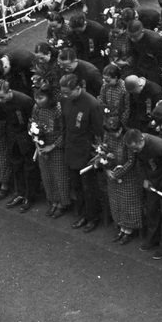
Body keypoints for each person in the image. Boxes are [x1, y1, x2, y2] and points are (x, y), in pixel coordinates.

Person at [124, 128, 162, 260]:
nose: (135, 151)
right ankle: (153, 238)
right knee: (152, 210)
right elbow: (140, 164)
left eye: (136, 148)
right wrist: (145, 179)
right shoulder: (136, 149)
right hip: (152, 180)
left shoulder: (160, 146)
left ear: (141, 140)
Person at [60, 73, 104, 233]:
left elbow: (99, 132)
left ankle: (93, 217)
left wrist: (97, 154)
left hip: (86, 152)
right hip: (71, 148)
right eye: (63, 92)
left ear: (78, 88)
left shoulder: (92, 104)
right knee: (76, 186)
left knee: (89, 188)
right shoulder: (65, 99)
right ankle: (82, 214)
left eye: (68, 92)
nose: (65, 95)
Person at [0, 80, 37, 212]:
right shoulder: (0, 102)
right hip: (12, 136)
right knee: (16, 166)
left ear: (9, 92)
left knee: (29, 168)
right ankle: (20, 193)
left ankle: (30, 196)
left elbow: (33, 119)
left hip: (25, 136)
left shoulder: (25, 101)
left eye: (2, 97)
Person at [30, 84, 70, 218]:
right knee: (47, 175)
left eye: (41, 98)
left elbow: (65, 131)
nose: (37, 101)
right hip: (42, 145)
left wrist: (53, 146)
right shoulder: (36, 108)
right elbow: (33, 123)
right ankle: (53, 201)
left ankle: (62, 203)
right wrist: (37, 144)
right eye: (36, 97)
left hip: (56, 147)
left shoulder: (58, 109)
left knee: (59, 175)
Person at [103, 115, 142, 245]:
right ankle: (121, 227)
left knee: (128, 203)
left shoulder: (128, 137)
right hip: (112, 174)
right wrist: (107, 169)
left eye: (116, 132)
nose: (114, 135)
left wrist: (118, 173)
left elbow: (131, 161)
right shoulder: (107, 135)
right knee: (116, 202)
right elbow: (103, 151)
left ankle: (129, 230)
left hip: (128, 177)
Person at [126, 19, 162, 86]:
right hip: (139, 66)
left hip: (154, 69)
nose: (132, 39)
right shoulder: (131, 37)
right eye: (130, 36)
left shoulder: (155, 41)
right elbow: (133, 54)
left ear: (142, 31)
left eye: (135, 37)